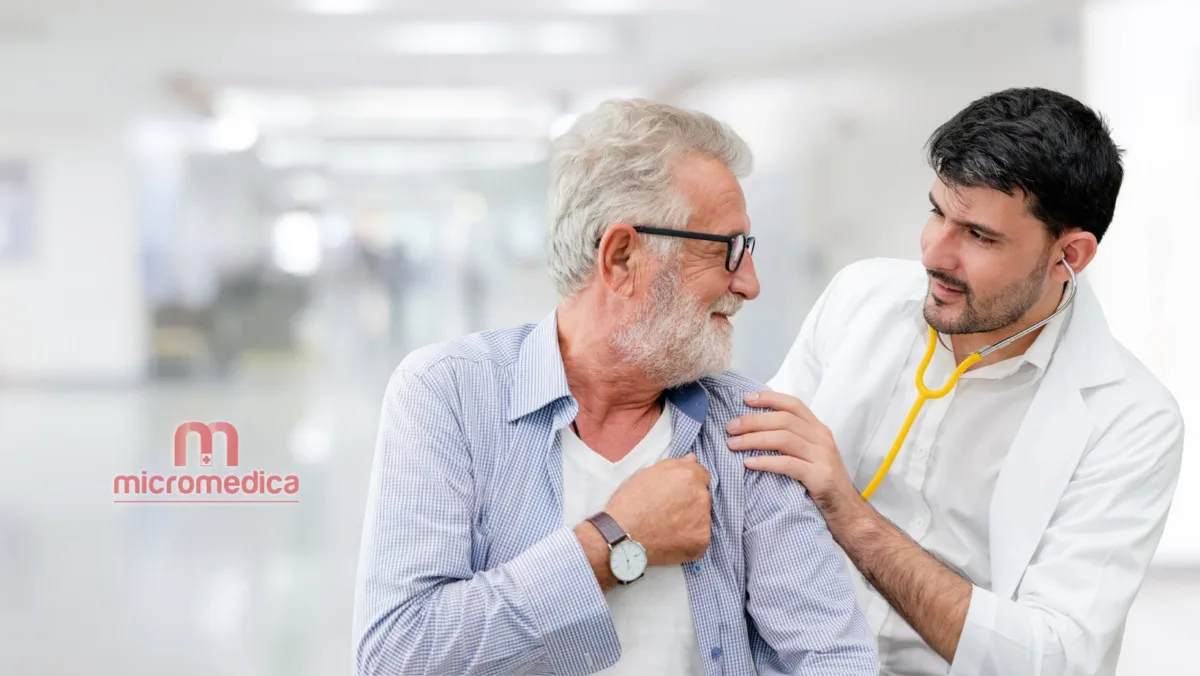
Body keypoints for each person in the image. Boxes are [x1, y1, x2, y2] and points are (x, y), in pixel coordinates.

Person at [352, 99, 877, 675]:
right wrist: (617, 540)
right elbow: (399, 656)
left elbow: (834, 656)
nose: (749, 284)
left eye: (747, 250)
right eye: (725, 249)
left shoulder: (747, 428)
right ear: (622, 257)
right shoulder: (448, 394)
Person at [726, 86, 1185, 676]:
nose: (935, 255)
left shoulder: (1132, 420)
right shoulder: (859, 299)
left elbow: (1052, 658)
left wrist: (851, 516)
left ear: (1068, 255)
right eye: (937, 212)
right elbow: (758, 482)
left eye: (979, 236)